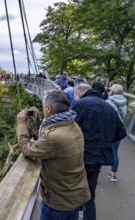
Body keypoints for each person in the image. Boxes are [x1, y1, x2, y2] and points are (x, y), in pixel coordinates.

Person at [16, 90, 90, 220]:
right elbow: (46, 140)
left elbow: (27, 149)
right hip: (75, 194)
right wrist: (37, 121)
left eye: (44, 106)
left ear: (48, 108)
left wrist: (21, 125)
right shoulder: (72, 125)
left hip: (59, 201)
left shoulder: (54, 137)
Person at [72, 84, 126, 220]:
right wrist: (106, 142)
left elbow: (69, 129)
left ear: (79, 93)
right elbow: (122, 132)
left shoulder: (81, 104)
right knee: (90, 193)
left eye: (74, 96)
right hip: (100, 156)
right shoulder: (109, 106)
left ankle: (76, 213)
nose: (75, 98)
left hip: (82, 154)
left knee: (73, 189)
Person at [105, 84, 127, 182]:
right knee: (115, 151)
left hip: (108, 128)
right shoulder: (125, 102)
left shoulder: (108, 102)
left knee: (100, 147)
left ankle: (96, 168)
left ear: (112, 91)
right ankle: (113, 174)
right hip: (118, 128)